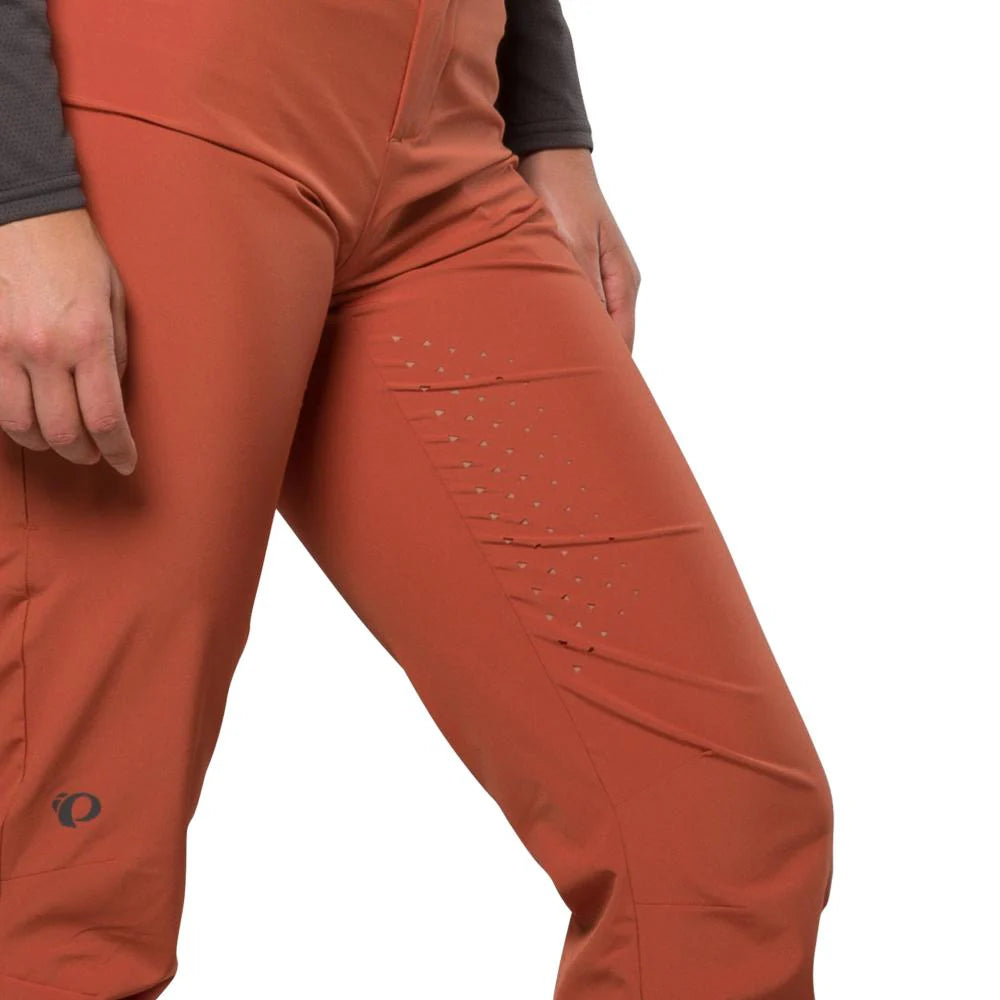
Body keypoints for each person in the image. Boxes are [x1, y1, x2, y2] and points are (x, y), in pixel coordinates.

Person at [0, 0, 835, 997]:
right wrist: (15, 187)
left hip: (449, 143)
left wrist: (548, 124)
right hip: (157, 105)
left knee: (717, 831)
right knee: (69, 889)